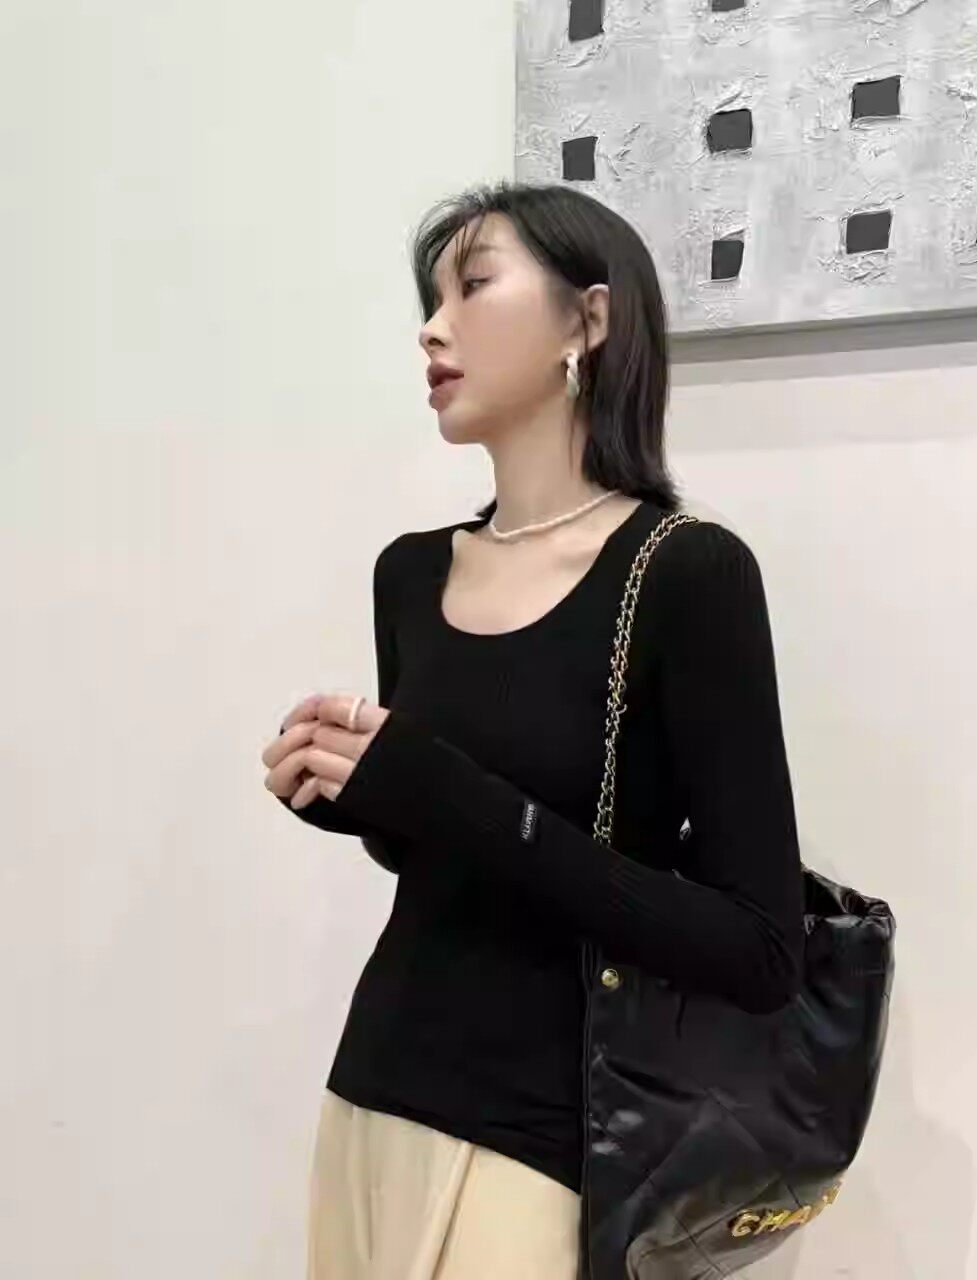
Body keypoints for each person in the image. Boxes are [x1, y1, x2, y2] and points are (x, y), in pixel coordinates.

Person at [260, 181, 804, 1280]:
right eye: (430, 299)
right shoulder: (412, 573)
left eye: (473, 284)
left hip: (543, 1137)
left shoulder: (685, 573)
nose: (433, 327)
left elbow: (758, 948)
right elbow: (458, 850)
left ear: (586, 321)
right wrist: (365, 799)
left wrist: (448, 793)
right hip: (371, 1095)